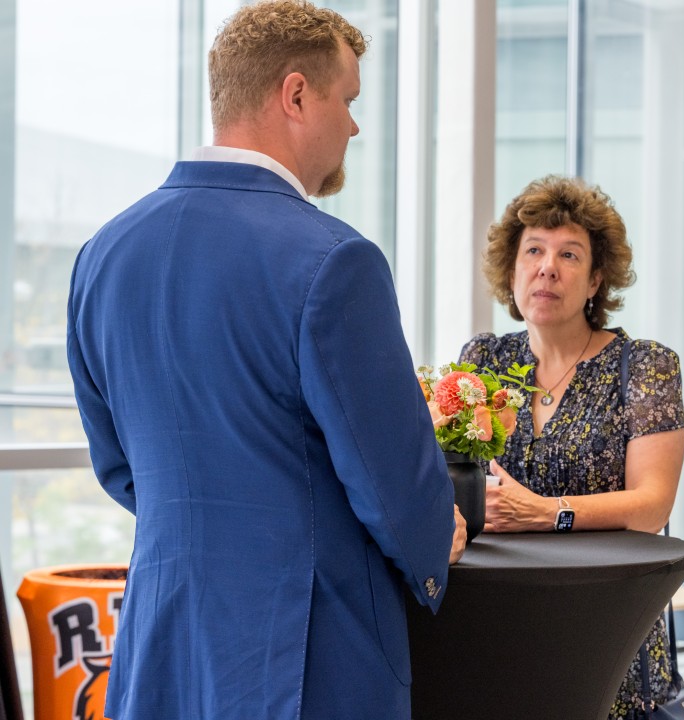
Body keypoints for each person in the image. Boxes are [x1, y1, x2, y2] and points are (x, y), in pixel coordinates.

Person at [66, 2, 465, 718]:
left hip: (161, 648)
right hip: (309, 655)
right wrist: (440, 538)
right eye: (347, 100)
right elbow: (394, 489)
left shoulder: (103, 256)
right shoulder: (335, 261)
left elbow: (121, 466)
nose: (353, 125)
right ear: (295, 94)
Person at [459, 175, 684, 719]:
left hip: (605, 630)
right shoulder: (484, 361)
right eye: (533, 250)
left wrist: (546, 514)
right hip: (498, 623)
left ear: (595, 280)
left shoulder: (645, 367)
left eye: (569, 255)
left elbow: (652, 505)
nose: (547, 267)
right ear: (512, 270)